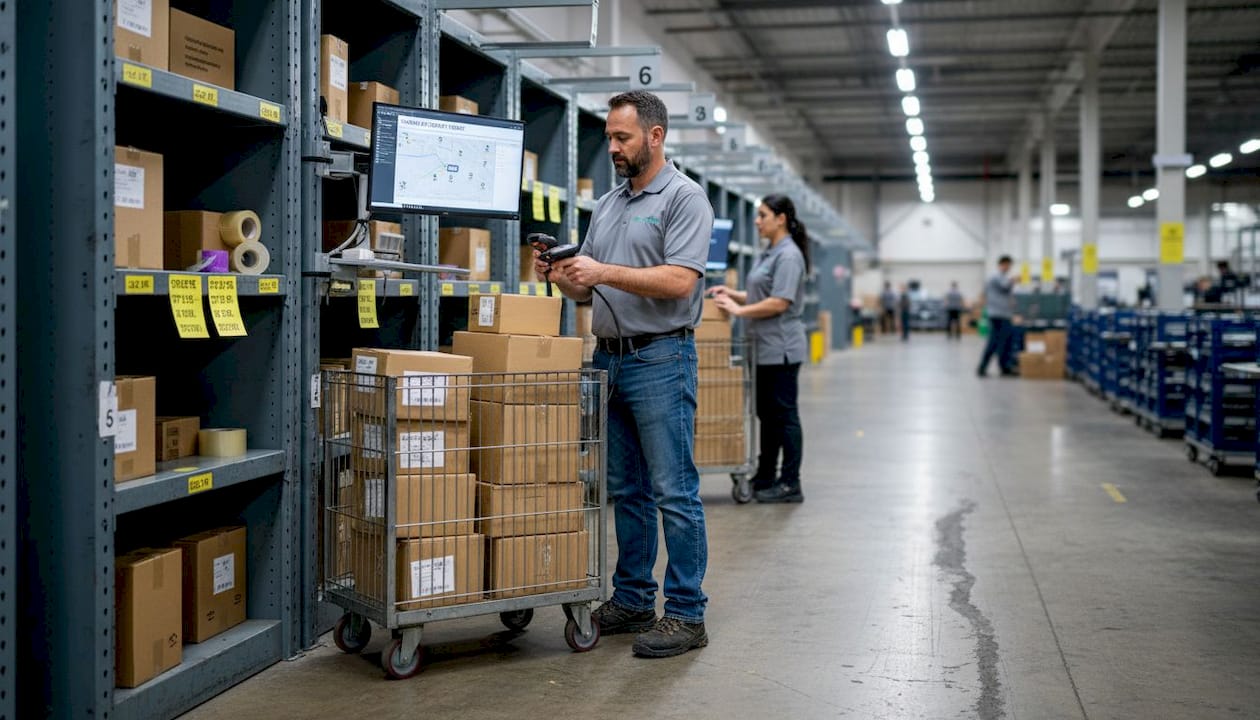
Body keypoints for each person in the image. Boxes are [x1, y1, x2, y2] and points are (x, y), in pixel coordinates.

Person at [539, 90, 711, 658]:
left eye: (622, 138)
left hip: (662, 358)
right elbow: (588, 285)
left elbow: (680, 281)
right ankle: (634, 597)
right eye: (609, 137)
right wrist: (562, 275)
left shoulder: (685, 199)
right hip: (609, 357)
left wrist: (605, 268)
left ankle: (686, 613)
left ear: (654, 137)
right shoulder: (610, 204)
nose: (612, 147)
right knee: (627, 491)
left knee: (674, 492)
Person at [708, 194, 808, 504]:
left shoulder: (789, 256)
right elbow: (761, 293)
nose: (757, 220)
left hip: (781, 349)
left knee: (784, 416)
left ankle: (791, 482)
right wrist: (735, 295)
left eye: (763, 215)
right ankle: (766, 475)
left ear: (781, 218)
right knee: (767, 415)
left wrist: (739, 312)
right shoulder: (771, 252)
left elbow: (779, 302)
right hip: (764, 349)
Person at [977, 255, 1019, 377]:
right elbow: (1004, 286)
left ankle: (1002, 367)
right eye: (1008, 265)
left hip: (1001, 313)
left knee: (1002, 341)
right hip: (999, 314)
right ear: (1003, 264)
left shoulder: (998, 276)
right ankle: (987, 368)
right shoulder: (996, 276)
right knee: (996, 341)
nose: (1009, 268)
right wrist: (1013, 280)